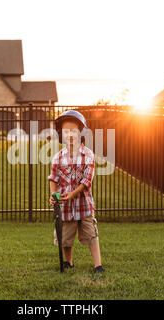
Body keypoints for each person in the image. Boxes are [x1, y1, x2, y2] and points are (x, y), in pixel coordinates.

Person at [48, 110, 105, 273]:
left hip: (84, 205)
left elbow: (86, 181)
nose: (70, 134)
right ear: (62, 134)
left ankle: (98, 265)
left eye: (73, 130)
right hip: (65, 206)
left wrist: (73, 194)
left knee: (91, 234)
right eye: (66, 131)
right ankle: (68, 261)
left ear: (81, 132)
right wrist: (54, 196)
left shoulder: (88, 155)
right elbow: (53, 178)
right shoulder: (58, 158)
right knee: (65, 236)